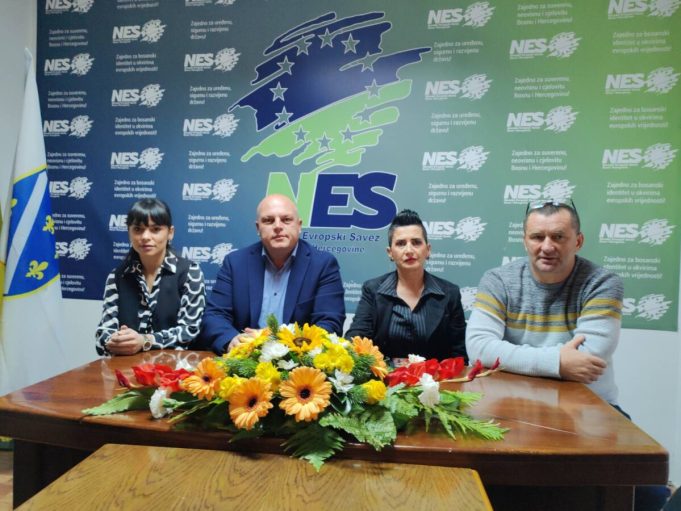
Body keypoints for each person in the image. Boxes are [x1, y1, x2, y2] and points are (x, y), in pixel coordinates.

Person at [466, 200, 623, 405]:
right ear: (525, 241)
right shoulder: (498, 281)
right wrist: (558, 362)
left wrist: (512, 358)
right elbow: (479, 348)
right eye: (537, 237)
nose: (547, 247)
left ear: (578, 241)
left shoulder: (602, 283)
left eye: (558, 237)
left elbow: (589, 357)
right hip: (514, 403)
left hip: (586, 405)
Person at [199, 194, 345, 354]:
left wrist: (277, 340)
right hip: (244, 357)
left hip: (298, 360)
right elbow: (214, 316)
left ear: (299, 225)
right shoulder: (235, 263)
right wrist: (233, 340)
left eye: (286, 220)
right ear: (258, 228)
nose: (277, 226)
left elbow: (329, 323)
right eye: (268, 220)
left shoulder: (323, 265)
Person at [346, 209, 467, 363]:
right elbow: (356, 341)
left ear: (428, 250)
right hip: (384, 376)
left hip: (435, 377)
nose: (409, 250)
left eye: (416, 242)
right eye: (401, 243)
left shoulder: (450, 293)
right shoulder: (373, 290)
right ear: (390, 252)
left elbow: (459, 355)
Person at [95, 198, 205, 355]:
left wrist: (145, 341)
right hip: (125, 365)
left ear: (170, 233)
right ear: (129, 233)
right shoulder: (117, 276)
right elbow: (103, 335)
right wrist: (115, 340)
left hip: (174, 366)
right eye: (138, 229)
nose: (145, 236)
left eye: (155, 229)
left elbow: (190, 331)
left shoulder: (189, 272)